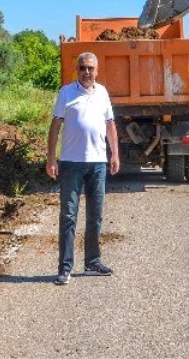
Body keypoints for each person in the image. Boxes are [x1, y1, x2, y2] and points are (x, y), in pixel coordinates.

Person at [46, 51, 120, 285]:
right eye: (82, 68)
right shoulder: (66, 93)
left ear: (97, 70)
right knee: (68, 216)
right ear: (76, 70)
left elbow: (110, 125)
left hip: (98, 163)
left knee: (95, 216)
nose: (86, 72)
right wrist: (51, 158)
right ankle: (65, 268)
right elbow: (55, 126)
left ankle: (92, 262)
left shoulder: (103, 93)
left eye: (90, 68)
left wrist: (114, 154)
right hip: (71, 164)